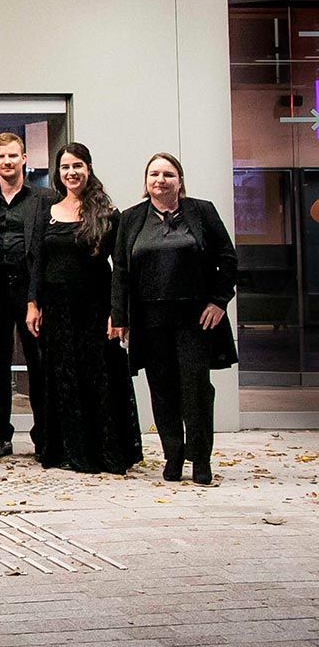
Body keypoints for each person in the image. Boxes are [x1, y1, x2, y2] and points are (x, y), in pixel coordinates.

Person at [110, 153, 236, 487]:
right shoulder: (132, 218)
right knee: (162, 388)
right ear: (146, 181)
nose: (160, 180)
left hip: (195, 319)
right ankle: (173, 454)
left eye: (168, 174)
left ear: (180, 180)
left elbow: (227, 258)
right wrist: (119, 316)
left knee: (195, 388)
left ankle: (201, 457)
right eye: (154, 174)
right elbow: (120, 271)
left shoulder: (202, 211)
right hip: (150, 320)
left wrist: (219, 301)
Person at [27, 142, 140, 476]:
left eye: (77, 166)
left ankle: (101, 450)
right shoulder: (47, 210)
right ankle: (65, 448)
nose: (71, 173)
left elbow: (120, 268)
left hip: (94, 307)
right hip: (56, 309)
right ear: (58, 174)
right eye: (64, 168)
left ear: (88, 168)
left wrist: (117, 312)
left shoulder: (106, 213)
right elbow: (37, 261)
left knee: (98, 378)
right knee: (62, 377)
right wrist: (33, 303)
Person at [0, 132, 46, 460]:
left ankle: (45, 434)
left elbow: (45, 252)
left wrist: (37, 298)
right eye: (1, 157)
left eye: (13, 156)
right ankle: (0, 435)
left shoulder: (44, 199)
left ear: (24, 158)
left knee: (38, 364)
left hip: (31, 292)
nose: (7, 162)